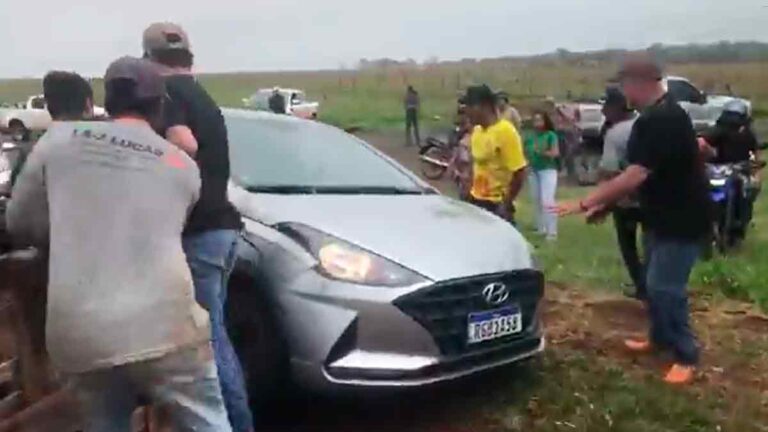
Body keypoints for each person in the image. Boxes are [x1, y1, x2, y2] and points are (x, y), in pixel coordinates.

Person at [7, 56, 232, 431]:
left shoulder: (56, 143)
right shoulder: (181, 165)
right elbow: (170, 223)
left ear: (106, 103)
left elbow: (20, 221)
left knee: (103, 420)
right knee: (208, 422)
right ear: (159, 106)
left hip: (82, 331)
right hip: (167, 326)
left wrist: (69, 230)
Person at [554, 53, 710, 385]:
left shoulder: (663, 119)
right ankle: (659, 338)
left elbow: (636, 174)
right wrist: (607, 206)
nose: (622, 90)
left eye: (624, 84)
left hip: (682, 218)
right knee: (651, 283)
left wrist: (585, 201)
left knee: (665, 287)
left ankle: (686, 353)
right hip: (660, 215)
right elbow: (651, 173)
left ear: (639, 85)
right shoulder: (654, 116)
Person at [143, 22, 254, 432]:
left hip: (198, 232)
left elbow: (184, 145)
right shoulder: (203, 95)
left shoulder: (165, 93)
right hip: (223, 228)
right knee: (216, 335)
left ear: (149, 60)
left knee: (207, 343)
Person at [598, 87, 645, 300]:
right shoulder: (646, 123)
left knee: (629, 246)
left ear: (617, 107)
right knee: (652, 244)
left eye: (606, 106)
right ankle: (653, 286)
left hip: (626, 200)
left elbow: (608, 170)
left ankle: (641, 286)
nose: (602, 111)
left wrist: (602, 202)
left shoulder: (615, 133)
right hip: (654, 198)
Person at [463, 84, 527, 223]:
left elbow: (519, 172)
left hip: (497, 204)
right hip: (476, 200)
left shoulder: (506, 132)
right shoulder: (477, 131)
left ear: (485, 106)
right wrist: (468, 190)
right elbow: (475, 164)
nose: (466, 112)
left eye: (470, 107)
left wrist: (507, 203)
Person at [523, 111, 559, 240]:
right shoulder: (531, 137)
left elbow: (555, 153)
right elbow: (525, 152)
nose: (537, 124)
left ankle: (552, 231)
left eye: (540, 120)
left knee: (547, 199)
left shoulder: (550, 135)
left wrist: (542, 152)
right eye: (535, 121)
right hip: (534, 170)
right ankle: (541, 227)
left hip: (547, 170)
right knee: (536, 199)